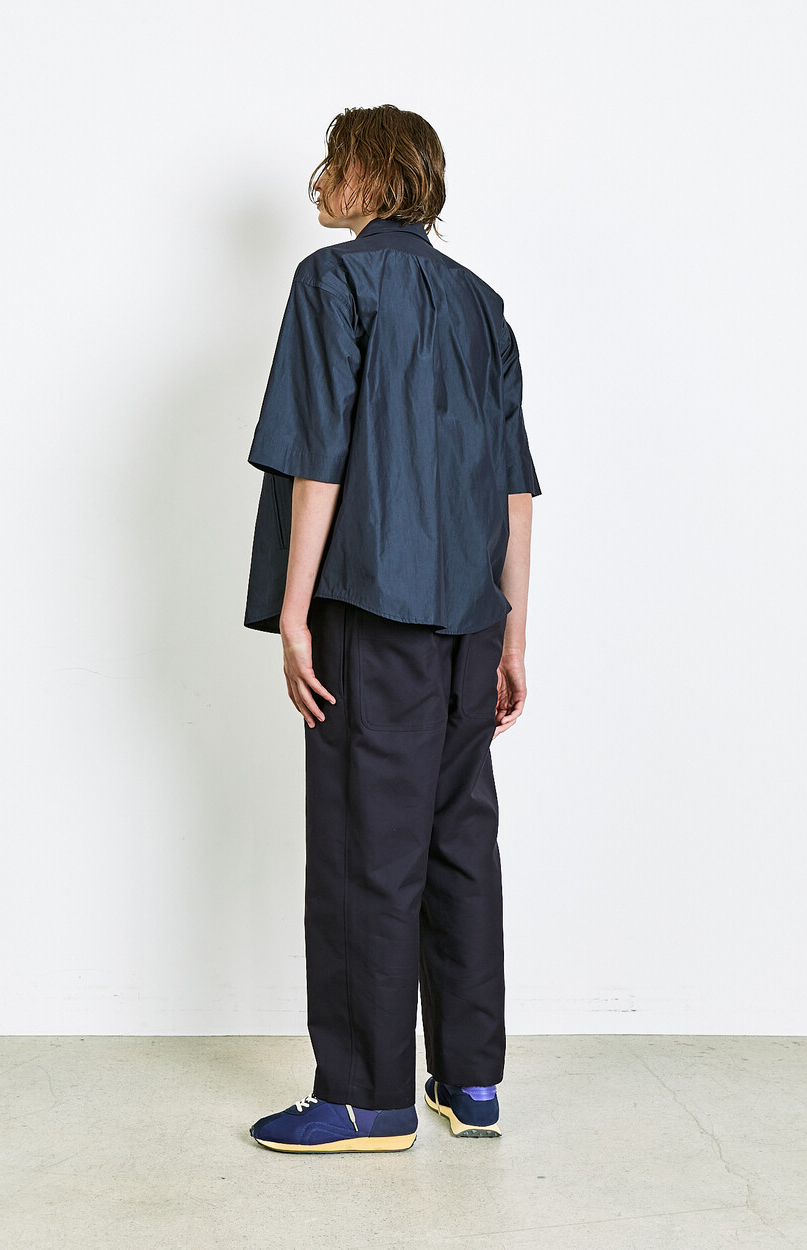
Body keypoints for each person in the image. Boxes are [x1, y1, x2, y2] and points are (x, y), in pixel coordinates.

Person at [243, 105, 541, 1153]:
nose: (319, 181)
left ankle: (365, 1096)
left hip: (372, 612)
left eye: (335, 162)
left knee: (365, 845)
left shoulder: (333, 281)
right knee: (458, 842)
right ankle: (470, 1079)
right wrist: (513, 636)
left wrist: (293, 611)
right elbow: (514, 487)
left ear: (374, 173)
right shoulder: (480, 303)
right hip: (470, 619)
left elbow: (317, 457)